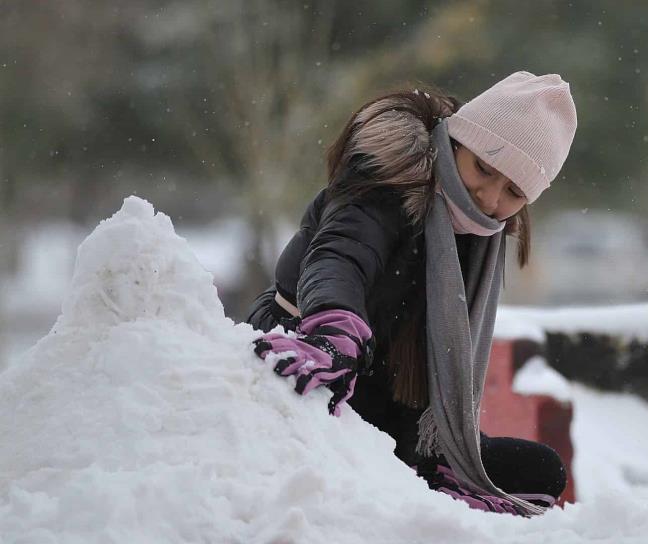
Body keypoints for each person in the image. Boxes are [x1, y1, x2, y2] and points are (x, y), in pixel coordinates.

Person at [246, 71, 578, 517]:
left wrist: (450, 444)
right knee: (357, 455)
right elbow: (342, 254)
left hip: (397, 401)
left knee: (541, 472)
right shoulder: (387, 183)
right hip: (316, 354)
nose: (488, 195)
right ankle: (413, 493)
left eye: (514, 191)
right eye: (483, 167)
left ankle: (435, 481)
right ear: (458, 141)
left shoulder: (480, 237)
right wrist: (334, 326)